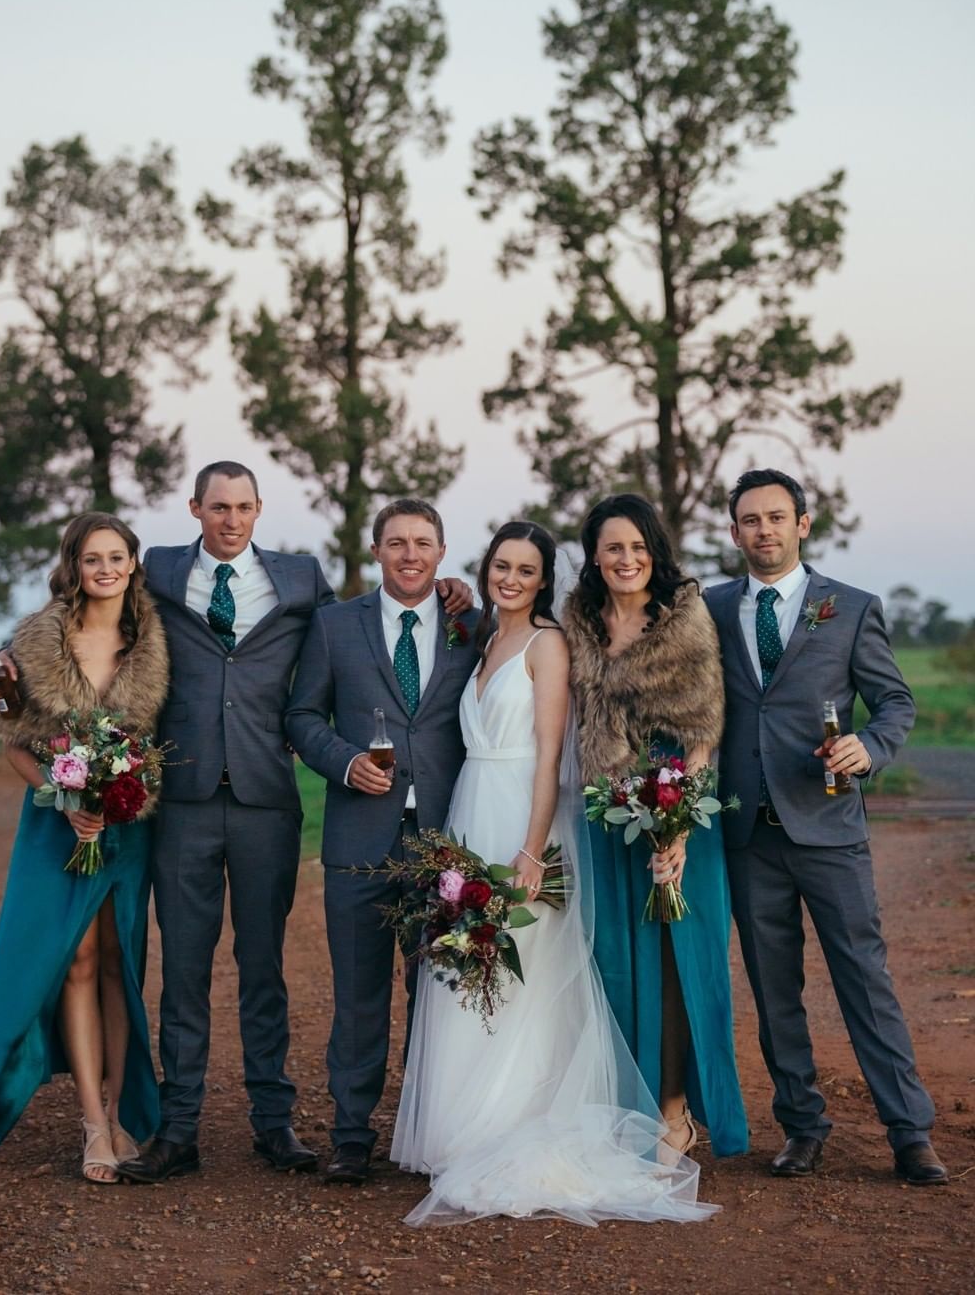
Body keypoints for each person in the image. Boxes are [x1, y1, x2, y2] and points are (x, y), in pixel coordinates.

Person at [0, 466, 472, 1182]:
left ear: (259, 510)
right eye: (218, 507)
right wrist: (3, 668)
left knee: (265, 967)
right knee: (183, 968)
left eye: (243, 507)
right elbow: (84, 598)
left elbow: (365, 635)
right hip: (179, 799)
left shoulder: (303, 581)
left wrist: (452, 589)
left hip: (267, 801)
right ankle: (178, 1130)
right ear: (195, 509)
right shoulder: (159, 570)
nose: (231, 519)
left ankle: (273, 1125)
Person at [390, 521, 716, 1226]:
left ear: (546, 581)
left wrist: (533, 850)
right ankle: (462, 1129)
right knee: (472, 966)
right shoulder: (481, 640)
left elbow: (548, 756)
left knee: (525, 971)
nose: (511, 578)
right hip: (472, 810)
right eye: (501, 566)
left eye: (526, 569)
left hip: (523, 819)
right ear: (485, 573)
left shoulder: (548, 644)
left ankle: (520, 1122)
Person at [704, 468, 947, 1185]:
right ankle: (802, 1127)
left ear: (802, 523)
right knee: (773, 990)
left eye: (776, 517)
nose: (764, 530)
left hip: (831, 826)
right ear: (734, 531)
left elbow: (894, 703)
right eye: (750, 520)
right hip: (748, 833)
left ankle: (910, 1132)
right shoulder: (711, 610)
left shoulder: (851, 606)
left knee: (864, 981)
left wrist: (870, 747)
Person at [0, 514, 170, 1183]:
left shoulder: (153, 640)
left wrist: (114, 800)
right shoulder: (40, 638)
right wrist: (65, 794)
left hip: (128, 826)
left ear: (134, 563)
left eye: (116, 557)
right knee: (75, 960)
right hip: (57, 826)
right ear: (74, 566)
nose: (105, 569)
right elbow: (12, 739)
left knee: (117, 961)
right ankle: (93, 1124)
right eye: (91, 559)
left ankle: (118, 1110)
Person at [285, 499, 481, 1185]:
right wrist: (343, 760)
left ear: (441, 550)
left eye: (423, 543)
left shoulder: (471, 625)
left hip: (446, 840)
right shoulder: (335, 625)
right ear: (376, 551)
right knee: (359, 993)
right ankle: (350, 1134)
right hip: (359, 838)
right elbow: (301, 712)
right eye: (396, 543)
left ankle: (430, 1129)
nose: (410, 555)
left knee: (438, 992)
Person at [563, 495, 749, 1159]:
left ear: (656, 552)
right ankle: (632, 1109)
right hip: (606, 813)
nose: (627, 559)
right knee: (617, 961)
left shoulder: (684, 617)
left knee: (676, 965)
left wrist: (678, 825)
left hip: (676, 808)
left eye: (639, 547)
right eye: (614, 547)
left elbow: (701, 731)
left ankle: (676, 1116)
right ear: (593, 555)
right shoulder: (578, 620)